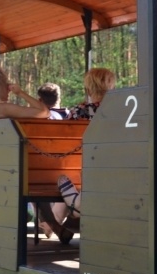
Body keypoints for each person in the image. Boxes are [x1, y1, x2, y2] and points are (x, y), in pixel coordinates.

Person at [47, 67, 117, 237]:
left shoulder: (78, 112)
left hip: (80, 167)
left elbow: (64, 143)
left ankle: (65, 214)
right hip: (112, 168)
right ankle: (73, 209)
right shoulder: (120, 111)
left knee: (67, 178)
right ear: (110, 86)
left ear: (88, 88)